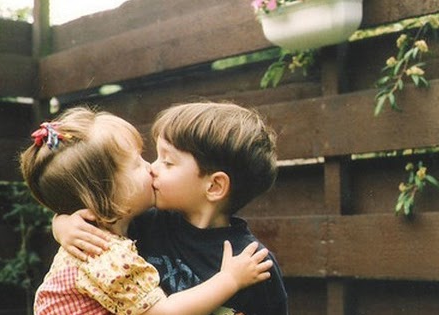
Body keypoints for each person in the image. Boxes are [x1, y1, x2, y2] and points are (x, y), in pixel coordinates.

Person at [20, 106, 274, 315]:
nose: (151, 168)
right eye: (137, 164)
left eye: (168, 161)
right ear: (104, 198)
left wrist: (63, 222)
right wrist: (229, 280)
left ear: (215, 185)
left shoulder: (254, 262)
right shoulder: (108, 250)